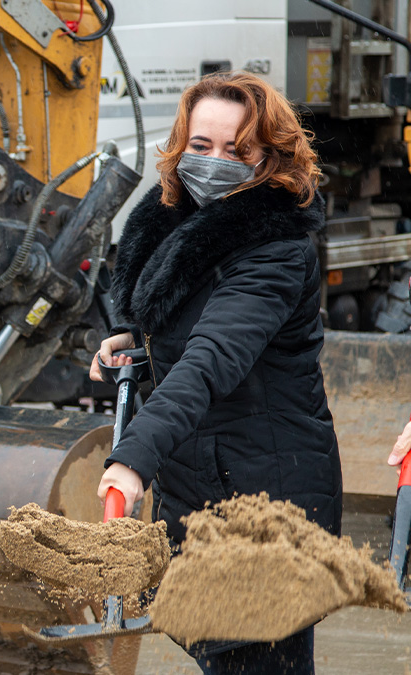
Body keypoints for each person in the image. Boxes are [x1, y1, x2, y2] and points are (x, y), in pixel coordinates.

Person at [89, 71, 342, 674]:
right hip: (206, 487)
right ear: (181, 146)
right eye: (201, 147)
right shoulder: (184, 228)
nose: (214, 162)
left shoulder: (275, 250)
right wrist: (138, 343)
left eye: (237, 150)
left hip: (267, 501)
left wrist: (132, 458)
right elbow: (190, 331)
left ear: (268, 159)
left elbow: (211, 360)